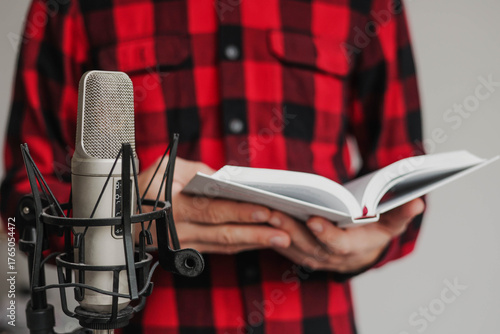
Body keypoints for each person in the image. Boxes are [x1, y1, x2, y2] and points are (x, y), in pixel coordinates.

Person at [1, 0, 425, 333]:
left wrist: (370, 244)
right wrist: (122, 223)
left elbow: (400, 175)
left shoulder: (367, 3)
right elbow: (22, 200)